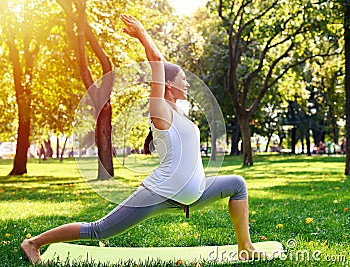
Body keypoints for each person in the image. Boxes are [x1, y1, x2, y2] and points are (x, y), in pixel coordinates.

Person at [21, 14, 264, 263]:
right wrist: (143, 34)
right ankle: (33, 243)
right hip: (161, 191)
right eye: (183, 79)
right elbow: (157, 61)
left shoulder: (180, 113)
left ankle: (245, 247)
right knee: (99, 229)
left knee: (237, 184)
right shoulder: (160, 110)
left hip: (194, 193)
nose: (188, 84)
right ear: (168, 84)